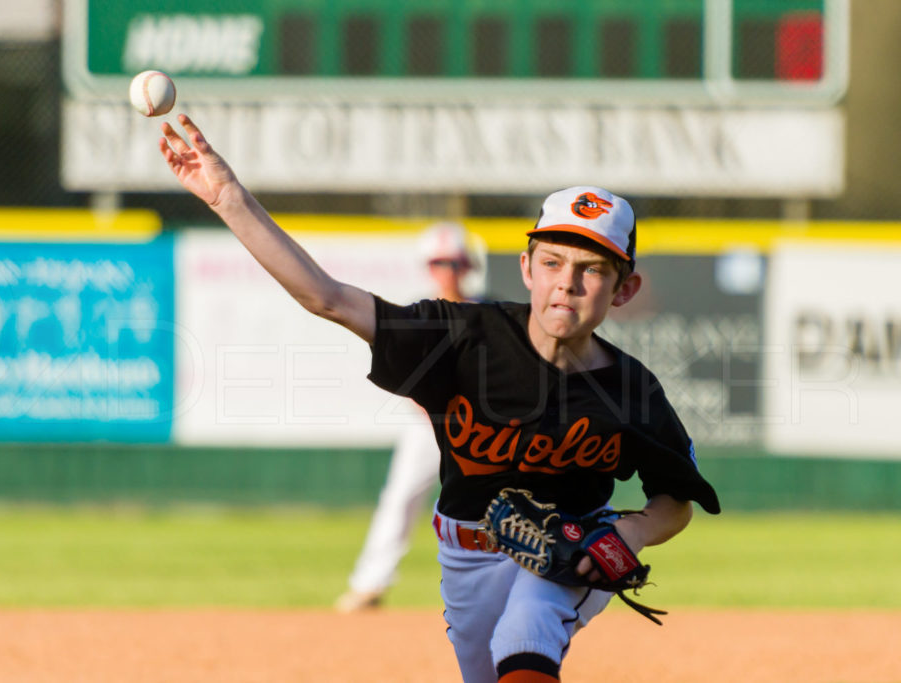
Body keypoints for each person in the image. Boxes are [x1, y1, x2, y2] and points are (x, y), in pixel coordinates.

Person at [158, 114, 720, 683]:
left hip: (569, 551)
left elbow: (676, 498)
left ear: (625, 289)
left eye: (591, 269)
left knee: (526, 635)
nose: (566, 282)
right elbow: (326, 298)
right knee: (485, 669)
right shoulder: (462, 337)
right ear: (526, 268)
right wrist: (228, 197)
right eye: (552, 262)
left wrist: (630, 533)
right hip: (466, 554)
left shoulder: (632, 390)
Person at [334, 221, 481, 613]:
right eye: (439, 262)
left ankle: (513, 585)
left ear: (468, 265)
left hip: (481, 429)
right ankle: (369, 585)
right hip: (428, 426)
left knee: (501, 505)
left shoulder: (488, 313)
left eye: (454, 261)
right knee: (399, 499)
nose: (447, 269)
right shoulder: (418, 314)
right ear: (428, 267)